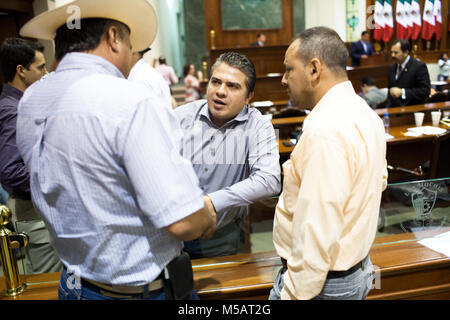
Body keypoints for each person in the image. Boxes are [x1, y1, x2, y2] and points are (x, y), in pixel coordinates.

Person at [17, 0, 216, 300]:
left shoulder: (32, 99)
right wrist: (206, 215)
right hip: (135, 290)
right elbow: (183, 221)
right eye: (130, 43)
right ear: (113, 37)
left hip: (74, 282)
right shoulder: (129, 100)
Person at [270, 27, 387, 300]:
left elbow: (317, 231)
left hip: (322, 284)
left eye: (289, 70)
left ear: (314, 69)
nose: (284, 80)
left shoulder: (326, 129)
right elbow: (379, 181)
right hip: (356, 268)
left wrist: (292, 295)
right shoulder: (366, 114)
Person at [174, 52, 281, 258]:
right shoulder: (182, 117)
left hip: (220, 237)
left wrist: (210, 202)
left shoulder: (258, 125)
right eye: (216, 82)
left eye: (232, 86)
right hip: (173, 231)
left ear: (249, 97)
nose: (220, 92)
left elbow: (269, 180)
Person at [0, 37, 62, 274]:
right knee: (43, 284)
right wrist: (55, 178)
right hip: (31, 214)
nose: (45, 73)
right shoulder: (13, 110)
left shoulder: (20, 104)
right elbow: (11, 172)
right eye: (40, 67)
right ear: (21, 71)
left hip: (36, 211)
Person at [387, 39, 431, 108]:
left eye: (396, 53)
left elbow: (425, 91)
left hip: (412, 110)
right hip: (394, 111)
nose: (392, 55)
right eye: (391, 52)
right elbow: (390, 91)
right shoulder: (392, 67)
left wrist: (403, 92)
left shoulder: (419, 66)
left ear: (406, 52)